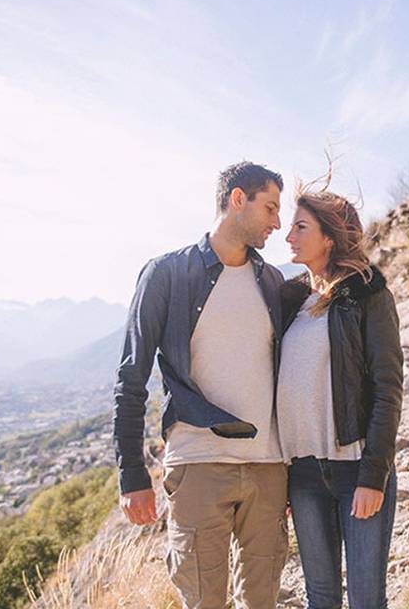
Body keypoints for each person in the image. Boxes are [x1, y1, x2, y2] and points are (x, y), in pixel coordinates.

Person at [112, 161, 289, 609]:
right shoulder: (167, 274)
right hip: (198, 464)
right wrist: (132, 474)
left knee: (263, 601)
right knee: (205, 602)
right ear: (236, 200)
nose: (277, 222)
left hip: (268, 467)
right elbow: (131, 377)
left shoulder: (271, 281)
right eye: (269, 207)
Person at [279, 185, 403, 609]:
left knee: (367, 600)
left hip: (356, 471)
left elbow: (388, 388)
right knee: (321, 599)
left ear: (329, 237)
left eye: (300, 227)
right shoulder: (291, 301)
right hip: (304, 476)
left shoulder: (367, 295)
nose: (288, 236)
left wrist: (374, 475)